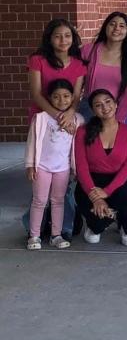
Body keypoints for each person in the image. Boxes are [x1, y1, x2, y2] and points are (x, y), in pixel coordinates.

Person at [23, 18, 86, 240]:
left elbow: (77, 96)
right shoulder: (38, 60)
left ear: (73, 38)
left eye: (67, 35)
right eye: (58, 35)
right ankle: (34, 229)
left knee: (62, 181)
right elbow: (37, 94)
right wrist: (58, 115)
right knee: (41, 178)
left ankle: (61, 229)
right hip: (44, 120)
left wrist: (69, 114)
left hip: (67, 118)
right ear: (50, 38)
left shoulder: (78, 64)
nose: (63, 40)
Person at [74, 89, 127, 246]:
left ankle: (125, 225)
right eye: (98, 105)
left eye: (108, 102)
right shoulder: (83, 131)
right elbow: (81, 167)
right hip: (91, 182)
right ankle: (96, 224)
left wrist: (107, 192)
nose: (105, 107)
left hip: (118, 181)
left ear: (116, 104)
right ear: (93, 110)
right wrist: (95, 197)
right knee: (94, 233)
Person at [24, 79, 83, 250]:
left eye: (66, 96)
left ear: (73, 98)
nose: (61, 100)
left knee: (58, 200)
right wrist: (30, 165)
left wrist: (76, 168)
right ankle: (34, 236)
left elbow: (79, 147)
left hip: (62, 168)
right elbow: (31, 142)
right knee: (39, 200)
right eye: (56, 97)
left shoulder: (78, 120)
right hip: (42, 167)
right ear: (49, 99)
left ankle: (56, 235)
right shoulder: (41, 118)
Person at [80, 12, 127, 124]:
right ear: (106, 26)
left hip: (120, 110)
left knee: (123, 141)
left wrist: (117, 120)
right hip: (90, 109)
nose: (116, 28)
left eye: (122, 26)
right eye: (112, 24)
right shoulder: (89, 50)